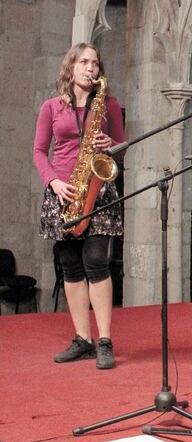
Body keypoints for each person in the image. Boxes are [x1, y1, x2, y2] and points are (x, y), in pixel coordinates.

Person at [33, 43, 124, 370]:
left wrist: (110, 145)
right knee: (70, 267)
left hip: (97, 193)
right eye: (84, 62)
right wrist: (53, 182)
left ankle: (104, 341)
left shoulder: (108, 105)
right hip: (63, 192)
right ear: (71, 67)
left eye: (95, 63)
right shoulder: (51, 107)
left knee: (97, 262)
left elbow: (122, 148)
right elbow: (39, 151)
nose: (90, 68)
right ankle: (82, 339)